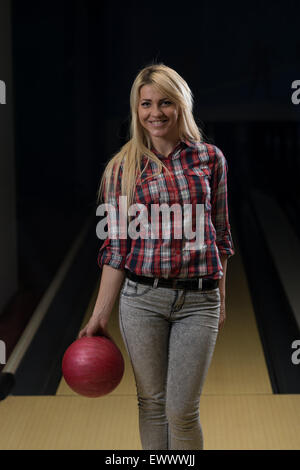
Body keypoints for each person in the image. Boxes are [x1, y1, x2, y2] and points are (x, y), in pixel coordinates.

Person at [78, 63, 235, 450]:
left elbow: (222, 236)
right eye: (146, 103)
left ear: (181, 105)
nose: (155, 112)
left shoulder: (210, 160)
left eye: (165, 102)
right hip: (142, 302)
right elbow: (116, 249)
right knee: (152, 404)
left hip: (199, 301)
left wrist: (222, 297)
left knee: (182, 411)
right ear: (136, 109)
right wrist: (99, 315)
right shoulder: (121, 169)